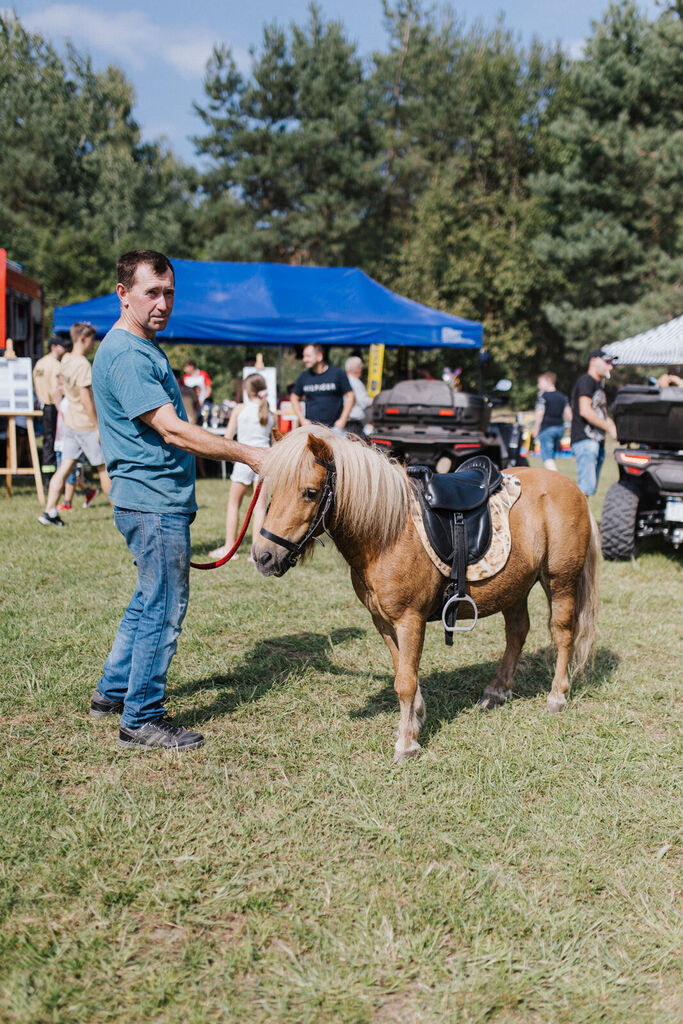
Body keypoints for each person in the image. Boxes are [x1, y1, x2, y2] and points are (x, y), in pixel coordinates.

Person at [90, 249, 267, 751]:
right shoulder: (127, 353)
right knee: (165, 605)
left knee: (148, 597)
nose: (163, 302)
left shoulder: (141, 346)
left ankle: (111, 691)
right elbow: (171, 430)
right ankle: (140, 717)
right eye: (152, 292)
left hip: (152, 500)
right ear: (122, 293)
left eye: (169, 292)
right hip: (152, 503)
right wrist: (249, 454)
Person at [38, 323, 111, 526]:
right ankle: (121, 517)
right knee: (104, 468)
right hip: (85, 424)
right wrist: (98, 425)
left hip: (70, 422)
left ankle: (49, 511)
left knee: (64, 467)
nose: (93, 344)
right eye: (91, 340)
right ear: (82, 339)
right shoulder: (82, 365)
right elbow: (86, 398)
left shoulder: (66, 360)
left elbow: (61, 385)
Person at [208, 373, 272, 561]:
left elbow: (228, 438)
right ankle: (256, 551)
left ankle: (230, 547)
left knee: (234, 503)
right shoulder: (269, 412)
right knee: (260, 507)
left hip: (244, 459)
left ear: (246, 389)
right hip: (265, 461)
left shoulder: (239, 409)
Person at [570, 348, 617, 496]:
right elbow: (585, 410)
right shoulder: (586, 381)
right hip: (586, 440)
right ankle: (578, 519)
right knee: (585, 488)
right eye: (607, 362)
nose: (610, 367)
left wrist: (612, 425)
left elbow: (600, 413)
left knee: (589, 489)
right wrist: (608, 428)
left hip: (596, 441)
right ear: (593, 361)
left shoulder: (599, 385)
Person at [290, 343, 354, 432]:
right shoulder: (304, 376)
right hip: (312, 429)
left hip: (335, 429)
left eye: (308, 356)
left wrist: (343, 419)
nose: (304, 359)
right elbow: (294, 398)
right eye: (304, 356)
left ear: (319, 356)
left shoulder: (337, 373)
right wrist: (302, 419)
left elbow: (350, 395)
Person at [32, 335, 70, 476]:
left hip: (44, 406)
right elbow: (56, 390)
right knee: (57, 442)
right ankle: (56, 476)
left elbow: (36, 386)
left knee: (47, 441)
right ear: (54, 347)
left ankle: (48, 477)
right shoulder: (55, 365)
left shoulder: (40, 363)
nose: (65, 349)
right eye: (62, 346)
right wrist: (62, 410)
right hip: (54, 407)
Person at [531, 371, 571, 471]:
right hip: (559, 429)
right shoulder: (563, 396)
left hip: (547, 429)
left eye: (540, 383)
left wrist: (536, 428)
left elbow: (540, 413)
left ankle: (556, 477)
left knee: (547, 457)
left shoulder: (543, 396)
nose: (538, 385)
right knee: (552, 456)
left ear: (549, 381)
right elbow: (568, 414)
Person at [344, 355, 372, 436]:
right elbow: (364, 401)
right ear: (359, 369)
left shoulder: (343, 380)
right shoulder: (356, 382)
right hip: (353, 423)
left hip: (344, 422)